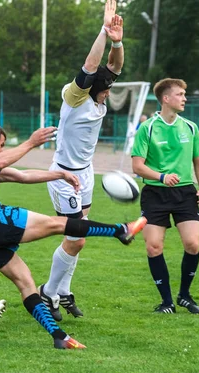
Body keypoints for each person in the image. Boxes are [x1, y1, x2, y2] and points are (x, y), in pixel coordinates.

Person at [0, 120, 146, 349]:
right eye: (1, 144)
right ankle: (120, 230)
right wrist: (32, 142)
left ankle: (59, 337)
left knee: (26, 283)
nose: (2, 150)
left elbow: (22, 176)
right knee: (58, 224)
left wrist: (60, 174)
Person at [41, 0, 124, 321]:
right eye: (106, 90)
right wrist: (103, 31)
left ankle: (62, 292)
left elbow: (113, 67)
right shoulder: (74, 98)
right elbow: (91, 65)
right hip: (64, 175)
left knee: (78, 240)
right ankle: (48, 292)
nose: (108, 93)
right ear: (94, 89)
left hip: (85, 173)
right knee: (76, 239)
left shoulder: (100, 97)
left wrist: (117, 41)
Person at [131, 78, 199, 314]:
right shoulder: (148, 128)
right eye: (180, 94)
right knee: (154, 247)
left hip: (185, 192)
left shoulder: (191, 127)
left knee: (192, 244)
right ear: (166, 98)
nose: (184, 98)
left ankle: (184, 294)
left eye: (184, 94)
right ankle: (167, 302)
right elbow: (137, 166)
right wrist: (161, 176)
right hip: (155, 193)